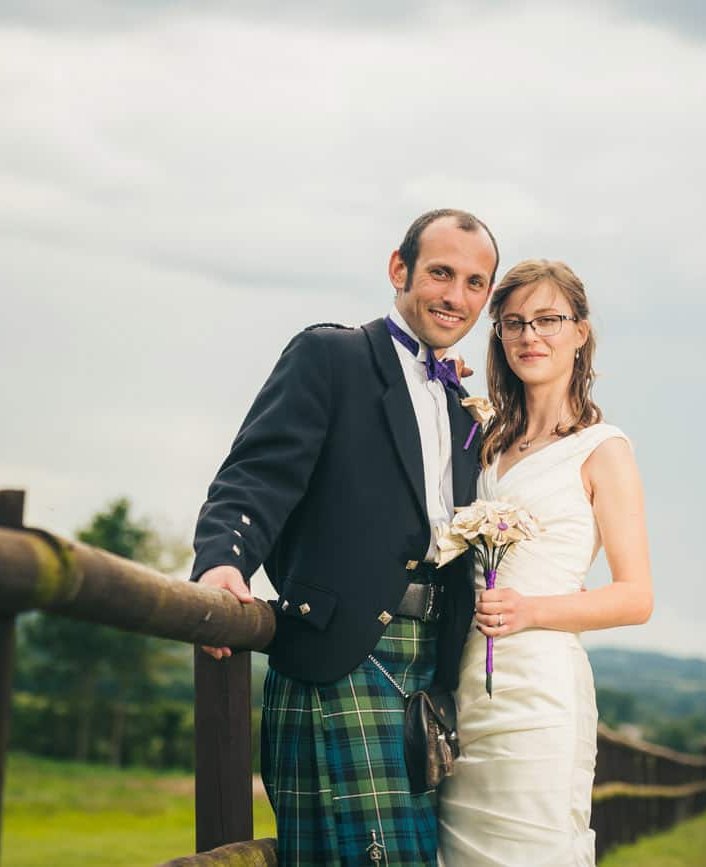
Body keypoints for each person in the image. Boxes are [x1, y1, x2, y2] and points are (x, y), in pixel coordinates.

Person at [192, 209, 498, 866]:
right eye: (441, 273)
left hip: (425, 674)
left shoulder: (462, 405)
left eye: (475, 283)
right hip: (342, 656)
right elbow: (257, 474)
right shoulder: (332, 357)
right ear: (399, 269)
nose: (456, 296)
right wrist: (222, 562)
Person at [437, 260, 654, 866]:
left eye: (549, 320)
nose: (531, 336)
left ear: (580, 333)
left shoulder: (601, 450)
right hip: (468, 692)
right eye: (514, 324)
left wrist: (532, 611)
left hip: (540, 695)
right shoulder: (485, 443)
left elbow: (636, 597)